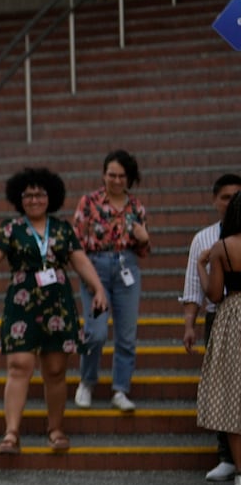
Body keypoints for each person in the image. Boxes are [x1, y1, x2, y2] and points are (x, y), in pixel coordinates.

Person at [0, 167, 108, 455]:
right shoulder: (11, 229)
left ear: (51, 197)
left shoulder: (61, 229)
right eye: (28, 194)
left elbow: (79, 261)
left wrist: (98, 288)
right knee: (18, 365)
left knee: (56, 370)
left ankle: (56, 430)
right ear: (19, 198)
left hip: (58, 305)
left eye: (40, 194)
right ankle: (11, 433)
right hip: (21, 305)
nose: (34, 199)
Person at [71, 150, 151, 411]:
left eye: (121, 176)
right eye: (111, 175)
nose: (115, 180)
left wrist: (144, 238)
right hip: (95, 267)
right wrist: (88, 276)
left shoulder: (136, 207)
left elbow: (143, 251)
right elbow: (75, 243)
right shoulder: (89, 202)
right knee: (96, 332)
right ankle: (87, 381)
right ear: (103, 175)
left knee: (126, 334)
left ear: (129, 178)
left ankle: (120, 389)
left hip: (127, 266)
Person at [181, 174, 241, 481]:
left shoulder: (221, 246)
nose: (230, 202)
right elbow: (192, 289)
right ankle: (226, 457)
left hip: (230, 313)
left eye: (235, 197)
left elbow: (210, 290)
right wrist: (189, 323)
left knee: (230, 390)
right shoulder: (204, 238)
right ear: (215, 199)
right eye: (225, 197)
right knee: (225, 388)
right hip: (220, 319)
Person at [196, 193, 241, 485]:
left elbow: (214, 296)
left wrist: (202, 264)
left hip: (234, 317)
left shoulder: (222, 247)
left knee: (233, 397)